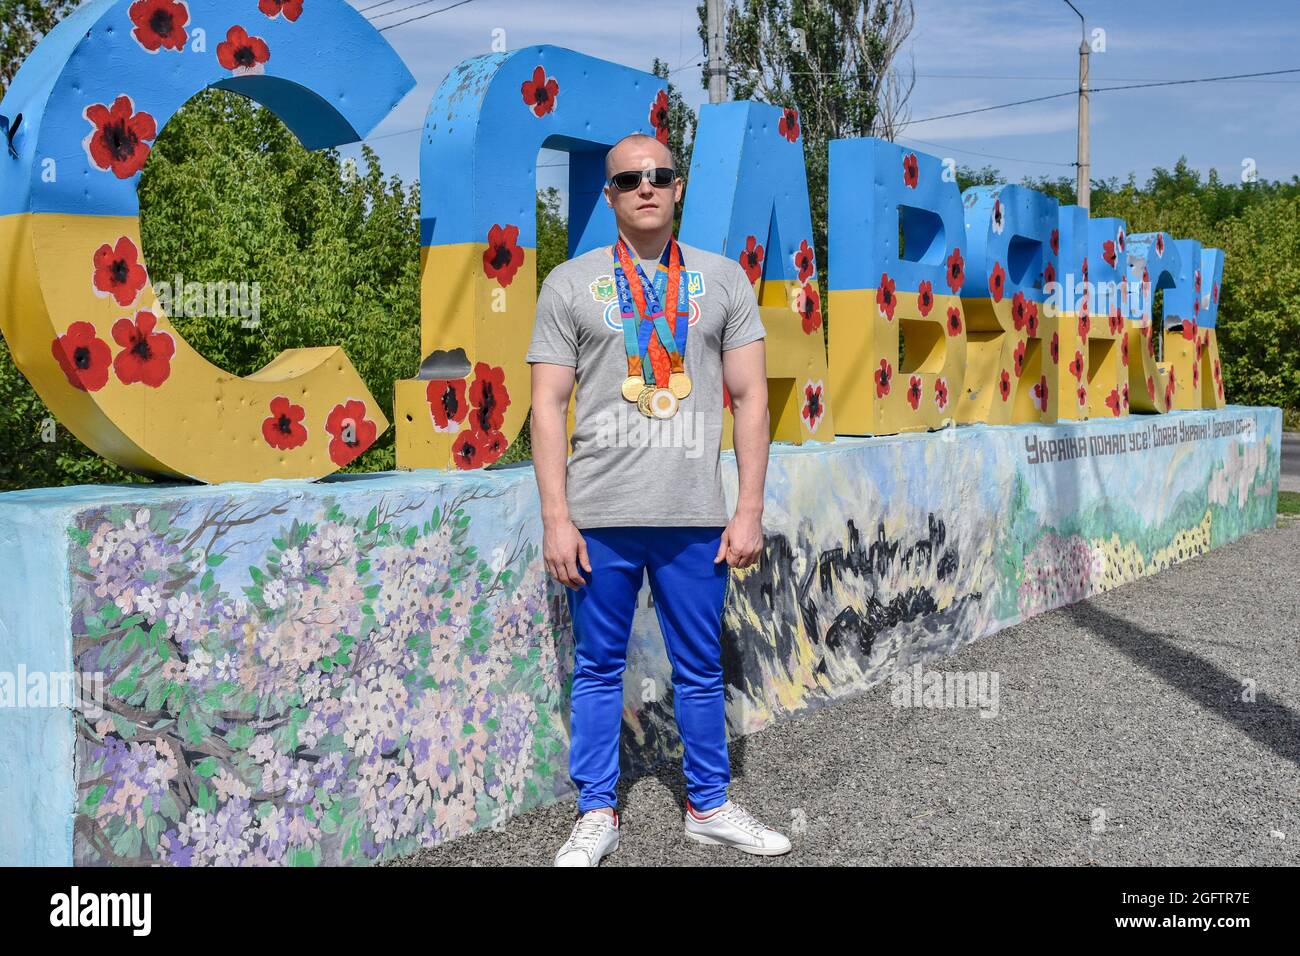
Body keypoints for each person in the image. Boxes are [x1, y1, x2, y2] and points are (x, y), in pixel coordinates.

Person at [526, 131, 791, 866]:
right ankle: (596, 813)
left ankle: (708, 805)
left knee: (702, 666)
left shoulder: (725, 280)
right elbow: (547, 405)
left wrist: (748, 510)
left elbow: (750, 399)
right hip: (599, 515)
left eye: (659, 175)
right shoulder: (570, 284)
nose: (645, 187)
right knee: (598, 668)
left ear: (677, 188)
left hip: (695, 516)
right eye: (628, 179)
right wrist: (555, 517)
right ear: (608, 195)